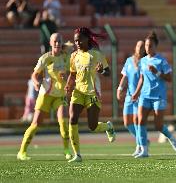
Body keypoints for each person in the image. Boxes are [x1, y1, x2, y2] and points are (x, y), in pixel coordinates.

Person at [17, 33, 72, 161]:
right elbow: (34, 75)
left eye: (59, 41)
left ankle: (67, 151)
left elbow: (72, 74)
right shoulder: (45, 58)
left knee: (63, 123)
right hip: (46, 95)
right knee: (36, 124)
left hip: (60, 96)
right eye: (55, 41)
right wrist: (36, 82)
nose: (57, 43)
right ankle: (22, 151)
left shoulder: (66, 58)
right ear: (50, 43)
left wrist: (67, 76)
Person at [64, 27, 116, 163]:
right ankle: (77, 155)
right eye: (75, 41)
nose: (77, 43)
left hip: (93, 92)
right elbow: (73, 74)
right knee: (72, 118)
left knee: (92, 126)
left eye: (80, 40)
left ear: (87, 39)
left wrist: (101, 71)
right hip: (79, 92)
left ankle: (108, 126)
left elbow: (108, 73)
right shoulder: (74, 56)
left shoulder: (96, 55)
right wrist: (69, 85)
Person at [132, 31, 176, 158]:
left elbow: (169, 78)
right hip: (145, 96)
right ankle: (144, 151)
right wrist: (136, 93)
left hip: (158, 96)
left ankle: (172, 139)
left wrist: (157, 72)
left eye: (150, 45)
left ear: (155, 46)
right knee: (140, 122)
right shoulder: (142, 61)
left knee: (158, 126)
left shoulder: (161, 61)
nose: (148, 48)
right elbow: (141, 79)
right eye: (146, 45)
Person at [117, 40, 145, 156]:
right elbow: (125, 77)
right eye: (138, 46)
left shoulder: (145, 61)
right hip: (129, 95)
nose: (140, 48)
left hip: (140, 95)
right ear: (135, 47)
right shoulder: (129, 60)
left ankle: (139, 145)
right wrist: (119, 89)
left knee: (136, 121)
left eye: (142, 47)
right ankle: (141, 140)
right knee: (127, 123)